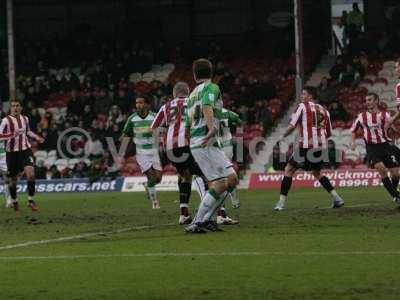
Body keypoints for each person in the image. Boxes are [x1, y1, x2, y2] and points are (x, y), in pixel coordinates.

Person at [184, 58, 239, 233]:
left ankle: (205, 220)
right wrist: (211, 128)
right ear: (211, 73)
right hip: (206, 141)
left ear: (194, 75)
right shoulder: (212, 87)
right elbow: (207, 106)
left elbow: (187, 122)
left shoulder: (191, 94)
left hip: (199, 142)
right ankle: (198, 222)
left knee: (224, 181)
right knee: (226, 181)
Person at [275, 87, 344, 210]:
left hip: (306, 146)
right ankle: (337, 198)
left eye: (304, 94)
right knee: (317, 172)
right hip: (321, 147)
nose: (302, 96)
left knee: (289, 169)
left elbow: (292, 126)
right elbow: (329, 133)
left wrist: (282, 136)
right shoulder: (325, 111)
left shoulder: (303, 106)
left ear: (310, 96)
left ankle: (281, 203)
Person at [151, 81, 202, 224]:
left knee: (185, 175)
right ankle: (210, 212)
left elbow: (153, 127)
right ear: (188, 91)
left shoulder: (165, 106)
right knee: (206, 175)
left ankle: (184, 214)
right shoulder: (194, 102)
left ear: (174, 94)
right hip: (189, 145)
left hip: (170, 148)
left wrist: (162, 140)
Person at [351, 93, 400, 206]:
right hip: (372, 147)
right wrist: (352, 142)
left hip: (386, 146)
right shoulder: (361, 116)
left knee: (395, 174)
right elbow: (353, 130)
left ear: (376, 101)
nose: (367, 102)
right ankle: (395, 195)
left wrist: (392, 131)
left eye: (370, 100)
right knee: (382, 169)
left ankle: (394, 192)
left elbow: (392, 128)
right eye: (366, 100)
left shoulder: (385, 115)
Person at [0, 99, 44, 213]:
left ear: (20, 108)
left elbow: (28, 132)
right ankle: (15, 202)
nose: (15, 108)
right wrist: (11, 135)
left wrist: (37, 137)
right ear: (10, 108)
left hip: (25, 150)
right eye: (13, 106)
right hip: (11, 153)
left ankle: (30, 201)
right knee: (13, 180)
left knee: (31, 174)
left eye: (17, 106)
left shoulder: (25, 119)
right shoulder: (5, 121)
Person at [121, 97, 162, 209]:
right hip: (141, 152)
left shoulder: (154, 116)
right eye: (137, 103)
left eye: (141, 102)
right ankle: (155, 202)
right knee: (151, 177)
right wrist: (122, 146)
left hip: (154, 151)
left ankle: (148, 185)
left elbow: (162, 129)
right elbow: (126, 134)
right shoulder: (132, 119)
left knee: (158, 179)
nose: (138, 105)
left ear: (147, 105)